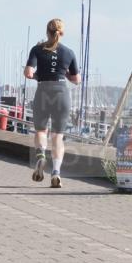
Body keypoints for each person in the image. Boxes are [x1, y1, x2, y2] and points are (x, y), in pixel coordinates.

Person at [24, 18, 80, 188]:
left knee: (41, 131)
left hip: (43, 91)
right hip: (61, 92)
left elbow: (28, 72)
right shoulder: (69, 52)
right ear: (61, 33)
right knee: (57, 136)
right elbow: (77, 79)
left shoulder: (37, 49)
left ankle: (41, 156)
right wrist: (64, 74)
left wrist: (38, 76)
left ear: (47, 31)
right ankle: (56, 172)